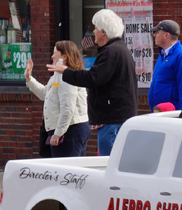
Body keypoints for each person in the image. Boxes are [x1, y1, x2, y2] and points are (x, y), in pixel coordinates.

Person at [47, 9, 137, 156]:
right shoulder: (120, 49)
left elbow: (93, 78)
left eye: (95, 28)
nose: (93, 31)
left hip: (112, 120)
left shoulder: (111, 52)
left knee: (109, 164)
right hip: (116, 118)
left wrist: (66, 71)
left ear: (103, 31)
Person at [24, 41, 90, 158]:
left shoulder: (67, 77)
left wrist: (58, 133)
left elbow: (67, 108)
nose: (52, 56)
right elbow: (46, 94)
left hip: (70, 131)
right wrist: (29, 78)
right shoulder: (58, 75)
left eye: (55, 53)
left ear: (64, 56)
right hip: (67, 129)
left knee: (67, 172)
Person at [148, 20, 182, 111]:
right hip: (159, 114)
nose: (154, 35)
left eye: (157, 32)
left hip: (172, 115)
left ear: (167, 35)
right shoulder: (162, 55)